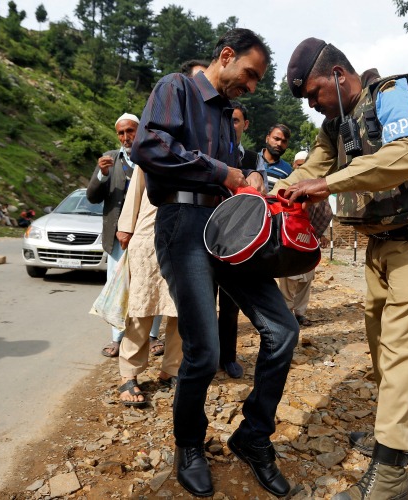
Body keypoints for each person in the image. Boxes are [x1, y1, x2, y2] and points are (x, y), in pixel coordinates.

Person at [277, 38, 408, 499]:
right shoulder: (335, 126)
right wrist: (263, 190)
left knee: (402, 353)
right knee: (379, 345)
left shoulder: (391, 95)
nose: (313, 106)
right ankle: (400, 440)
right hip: (379, 246)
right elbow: (306, 171)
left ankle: (390, 472)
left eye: (314, 93)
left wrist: (327, 183)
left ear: (337, 74)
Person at [131, 28, 297, 498]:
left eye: (256, 81)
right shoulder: (175, 88)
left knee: (283, 330)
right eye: (249, 74)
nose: (250, 87)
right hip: (183, 222)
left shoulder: (227, 117)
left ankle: (253, 437)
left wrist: (254, 178)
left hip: (229, 228)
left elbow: (238, 170)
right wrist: (222, 172)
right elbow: (150, 148)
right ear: (226, 56)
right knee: (203, 350)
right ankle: (189, 444)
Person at [114, 168, 181, 406]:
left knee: (181, 311)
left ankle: (171, 370)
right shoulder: (155, 141)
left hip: (187, 235)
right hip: (148, 235)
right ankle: (128, 374)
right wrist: (126, 227)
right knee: (141, 307)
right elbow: (136, 188)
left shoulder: (203, 142)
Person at [215, 100, 265, 380]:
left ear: (245, 125)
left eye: (236, 120)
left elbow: (261, 192)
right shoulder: (212, 152)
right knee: (204, 299)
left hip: (239, 236)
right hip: (210, 231)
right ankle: (204, 356)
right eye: (227, 120)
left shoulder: (253, 158)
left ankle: (228, 357)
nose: (231, 125)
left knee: (231, 301)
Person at [87, 112, 140, 358]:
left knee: (149, 283)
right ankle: (117, 339)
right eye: (121, 132)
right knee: (116, 286)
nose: (126, 137)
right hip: (117, 238)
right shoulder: (109, 159)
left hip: (145, 235)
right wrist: (102, 175)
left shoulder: (150, 158)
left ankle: (151, 337)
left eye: (130, 131)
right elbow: (93, 197)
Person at [278, 150, 332, 328]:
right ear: (294, 166)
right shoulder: (288, 188)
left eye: (305, 165)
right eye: (299, 166)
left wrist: (321, 233)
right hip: (291, 240)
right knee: (289, 279)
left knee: (306, 278)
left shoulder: (316, 188)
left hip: (310, 240)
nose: (303, 169)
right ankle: (286, 314)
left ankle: (300, 313)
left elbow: (324, 212)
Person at [260, 124, 292, 191]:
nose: (279, 144)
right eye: (276, 139)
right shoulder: (252, 160)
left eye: (284, 141)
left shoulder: (288, 170)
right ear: (267, 138)